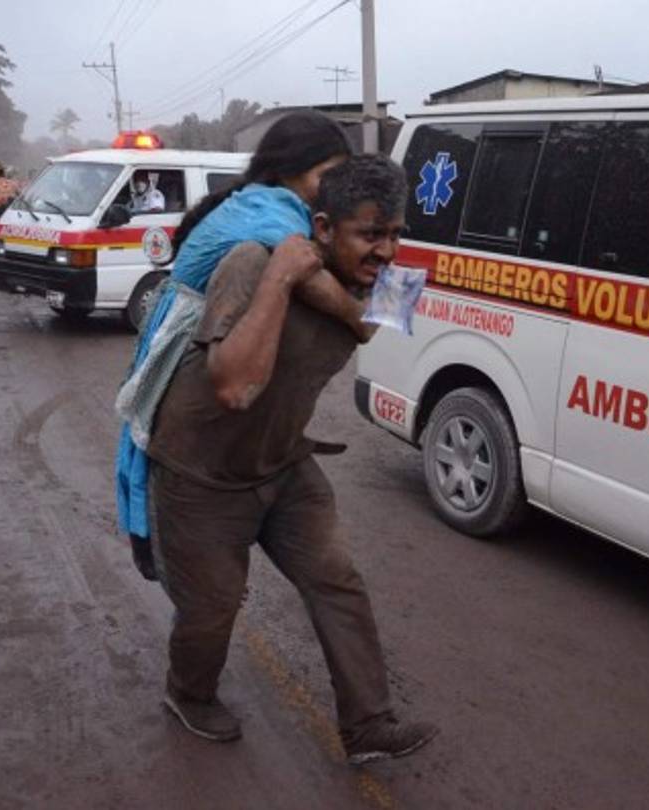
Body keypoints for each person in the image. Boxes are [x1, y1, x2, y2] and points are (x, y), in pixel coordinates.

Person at [145, 153, 437, 764]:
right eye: (370, 234)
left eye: (395, 234)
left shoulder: (390, 279)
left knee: (338, 582)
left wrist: (329, 293)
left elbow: (368, 326)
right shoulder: (251, 263)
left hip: (283, 464)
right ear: (323, 228)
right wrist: (281, 281)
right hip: (200, 472)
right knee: (213, 608)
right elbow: (234, 388)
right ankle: (187, 692)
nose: (387, 252)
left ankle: (368, 726)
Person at [115, 111, 368, 580]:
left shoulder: (268, 202)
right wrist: (363, 317)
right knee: (158, 439)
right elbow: (310, 279)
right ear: (289, 168)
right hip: (187, 334)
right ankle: (176, 563)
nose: (334, 188)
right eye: (326, 176)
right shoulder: (273, 208)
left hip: (195, 325)